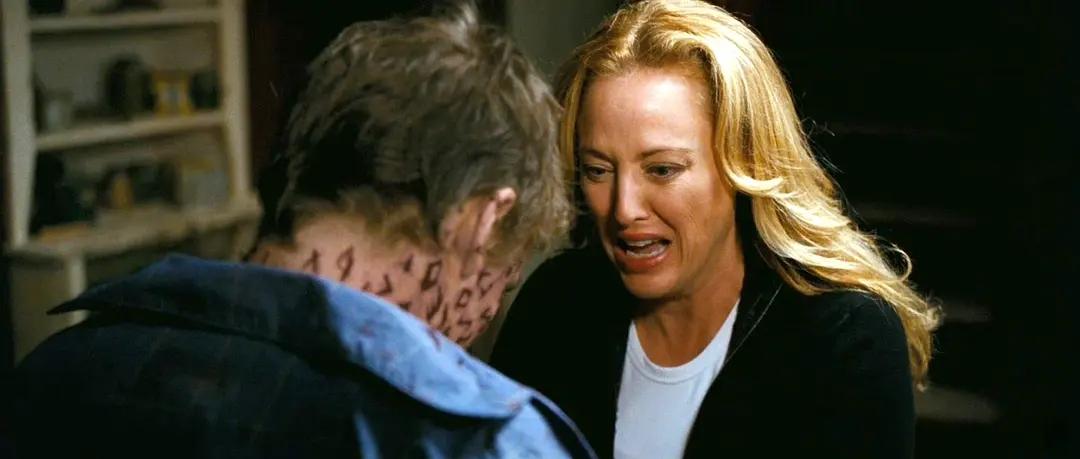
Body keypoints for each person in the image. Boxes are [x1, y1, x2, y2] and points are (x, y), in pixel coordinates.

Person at [13, 4, 594, 458]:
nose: (489, 314)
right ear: (479, 222)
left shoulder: (57, 369)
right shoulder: (491, 444)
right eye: (505, 277)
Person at [490, 1, 940, 458]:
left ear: (743, 163)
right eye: (598, 170)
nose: (624, 209)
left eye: (662, 169)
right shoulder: (555, 305)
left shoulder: (844, 337)